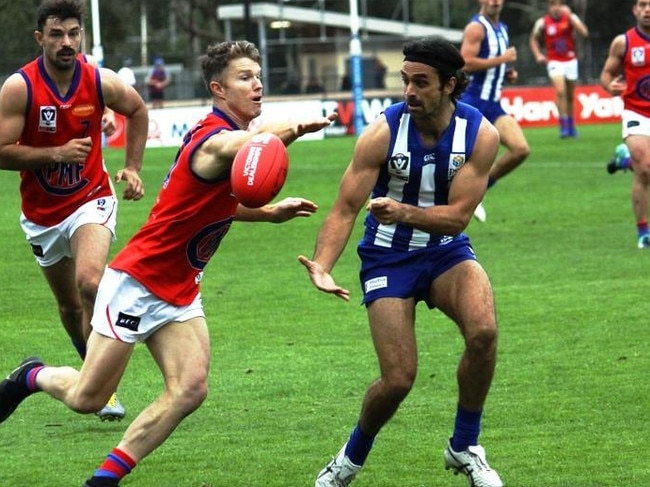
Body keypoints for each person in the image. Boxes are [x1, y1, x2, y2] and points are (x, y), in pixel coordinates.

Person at [0, 40, 335, 487]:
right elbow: (250, 142)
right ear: (218, 88)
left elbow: (207, 205)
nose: (256, 85)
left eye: (258, 77)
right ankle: (30, 376)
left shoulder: (224, 142)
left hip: (180, 289)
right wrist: (294, 126)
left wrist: (267, 213)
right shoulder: (214, 140)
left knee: (191, 388)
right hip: (138, 283)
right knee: (87, 396)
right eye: (244, 78)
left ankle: (102, 480)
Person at [299, 36, 503, 487]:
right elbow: (344, 208)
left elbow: (457, 219)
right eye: (404, 80)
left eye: (421, 82)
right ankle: (349, 460)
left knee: (484, 332)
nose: (409, 91)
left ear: (449, 85)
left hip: (445, 252)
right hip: (387, 257)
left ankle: (464, 445)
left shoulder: (482, 134)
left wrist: (405, 211)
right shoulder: (383, 132)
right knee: (398, 379)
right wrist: (322, 264)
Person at [0, 0, 148, 421]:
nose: (66, 43)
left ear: (82, 35)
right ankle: (91, 374)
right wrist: (56, 153)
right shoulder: (20, 87)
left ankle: (101, 384)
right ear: (39, 38)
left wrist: (133, 167)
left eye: (73, 34)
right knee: (69, 306)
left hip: (91, 199)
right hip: (42, 215)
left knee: (90, 282)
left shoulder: (99, 80)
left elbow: (136, 110)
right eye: (56, 34)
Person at [459, 0, 531, 222]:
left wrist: (506, 72)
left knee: (520, 149)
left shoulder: (503, 28)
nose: (495, 1)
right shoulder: (476, 27)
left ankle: (479, 191)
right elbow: (466, 62)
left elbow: (492, 64)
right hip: (473, 102)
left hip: (494, 104)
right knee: (459, 159)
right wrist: (502, 60)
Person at [600, 0, 650, 249]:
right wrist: (610, 86)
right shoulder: (624, 42)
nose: (647, 9)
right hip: (636, 112)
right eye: (642, 5)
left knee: (644, 167)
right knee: (646, 169)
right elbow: (606, 75)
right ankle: (644, 232)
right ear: (635, 10)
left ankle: (624, 160)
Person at [529, 0, 589, 138]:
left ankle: (571, 125)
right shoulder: (543, 22)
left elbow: (584, 33)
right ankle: (563, 126)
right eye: (553, 5)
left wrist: (573, 17)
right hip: (554, 61)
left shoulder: (569, 18)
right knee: (560, 91)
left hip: (570, 60)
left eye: (558, 5)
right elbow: (533, 39)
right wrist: (538, 55)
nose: (556, 8)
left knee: (570, 95)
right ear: (549, 7)